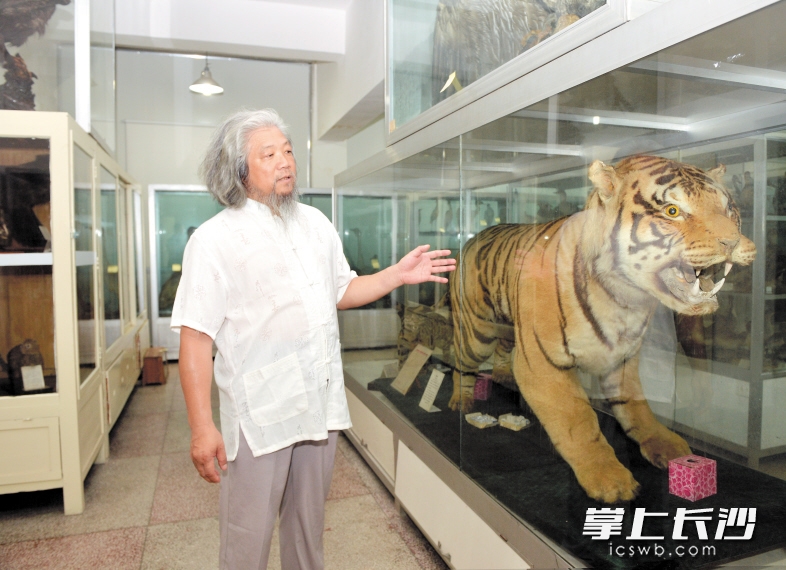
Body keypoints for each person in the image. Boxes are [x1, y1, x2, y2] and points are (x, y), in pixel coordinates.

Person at [170, 108, 455, 570]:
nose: (285, 161)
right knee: (247, 537)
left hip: (318, 406)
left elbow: (340, 290)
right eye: (268, 154)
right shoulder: (213, 240)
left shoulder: (315, 224)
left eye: (287, 151)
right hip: (260, 414)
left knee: (308, 531)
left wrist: (395, 276)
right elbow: (196, 339)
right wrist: (202, 428)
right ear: (239, 170)